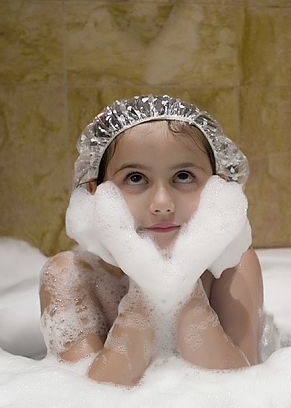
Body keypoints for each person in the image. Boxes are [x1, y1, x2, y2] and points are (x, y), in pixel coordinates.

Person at [39, 95, 263, 387]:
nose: (162, 203)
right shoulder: (70, 277)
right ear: (95, 192)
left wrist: (182, 291)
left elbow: (245, 389)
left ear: (217, 185)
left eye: (183, 176)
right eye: (135, 178)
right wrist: (147, 293)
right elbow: (84, 401)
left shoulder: (232, 267)